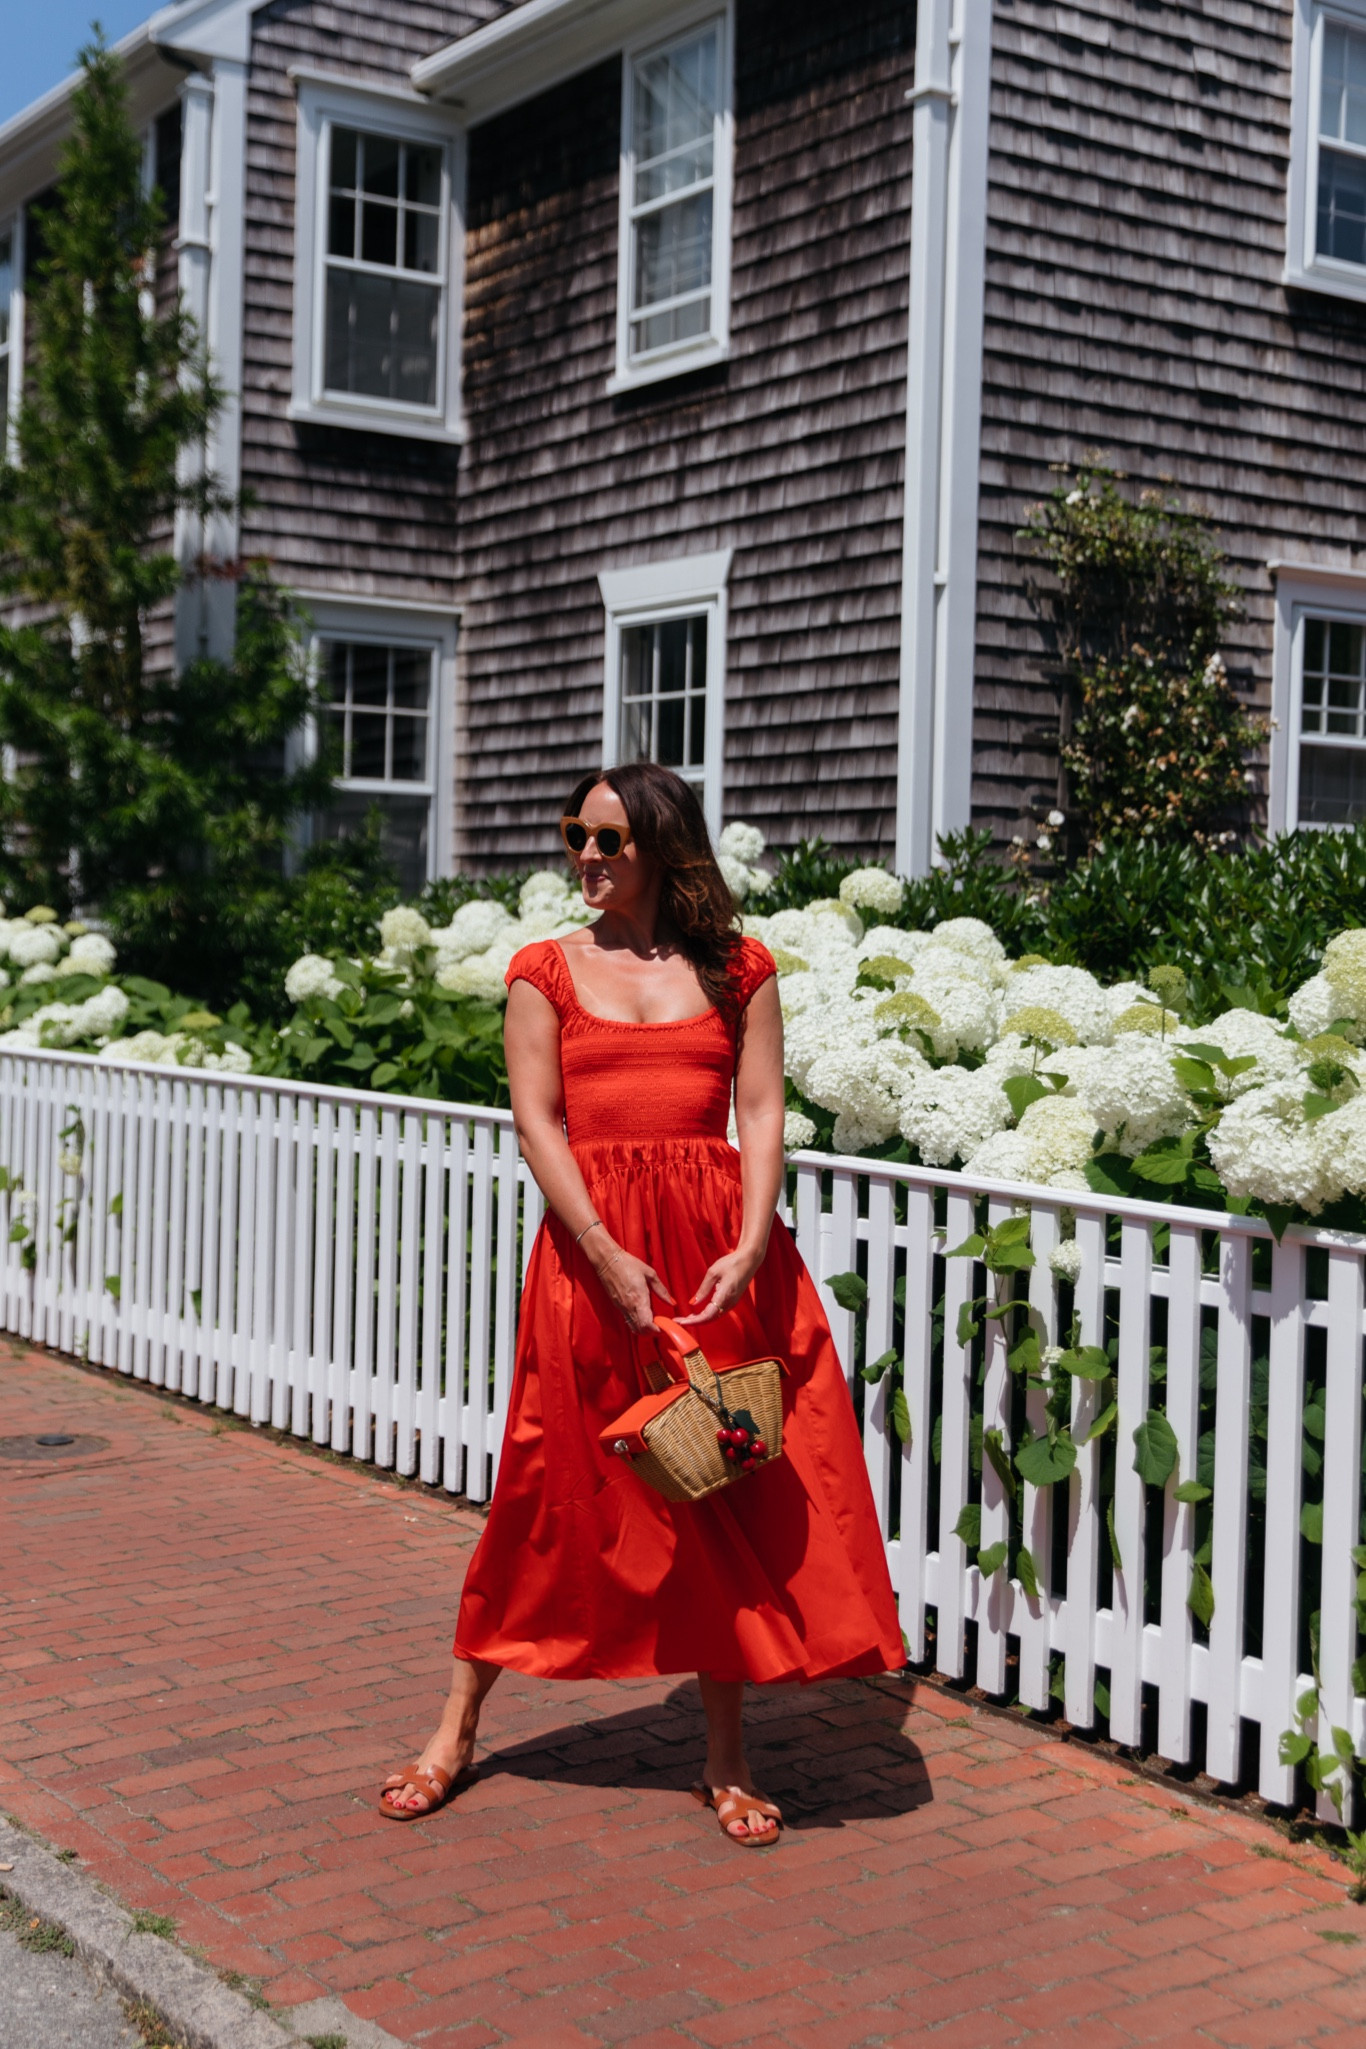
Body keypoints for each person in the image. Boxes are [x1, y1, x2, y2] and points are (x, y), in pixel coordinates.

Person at [380, 763, 902, 1845]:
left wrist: (755, 1237)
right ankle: (455, 1729)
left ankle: (726, 1758)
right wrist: (606, 1253)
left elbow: (760, 1109)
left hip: (717, 1256)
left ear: (663, 846)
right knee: (547, 1486)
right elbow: (540, 1125)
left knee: (714, 1488)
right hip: (593, 1260)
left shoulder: (738, 967)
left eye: (608, 840)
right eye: (576, 833)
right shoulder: (544, 971)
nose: (586, 855)